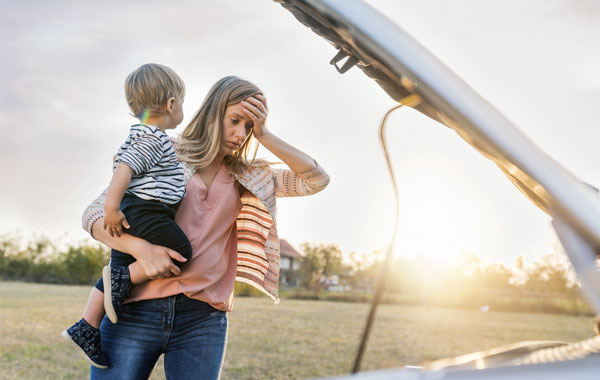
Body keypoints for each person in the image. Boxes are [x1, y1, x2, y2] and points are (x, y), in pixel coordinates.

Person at [79, 75, 330, 379]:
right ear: (214, 112)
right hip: (133, 309)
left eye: (248, 127)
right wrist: (141, 250)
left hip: (202, 320)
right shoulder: (164, 150)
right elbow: (94, 216)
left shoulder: (251, 176)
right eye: (235, 120)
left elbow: (316, 179)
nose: (240, 134)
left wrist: (265, 134)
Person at [62, 63, 193, 368]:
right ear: (171, 104)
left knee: (116, 268)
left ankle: (87, 326)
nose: (182, 108)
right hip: (146, 211)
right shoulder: (154, 138)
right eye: (183, 102)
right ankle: (123, 280)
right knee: (181, 252)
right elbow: (125, 169)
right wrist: (111, 208)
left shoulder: (138, 134)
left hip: (137, 209)